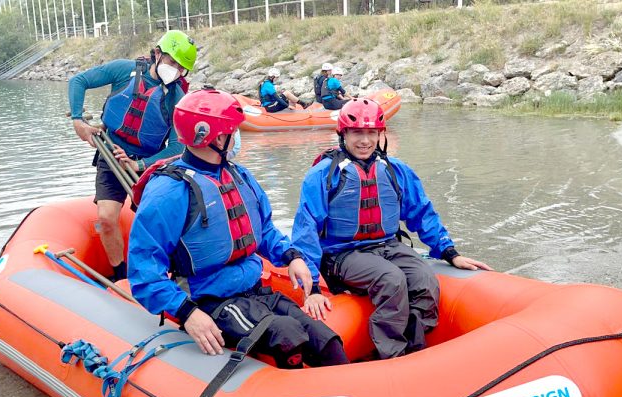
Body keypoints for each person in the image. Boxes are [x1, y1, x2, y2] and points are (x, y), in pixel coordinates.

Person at [128, 89, 349, 369]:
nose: (236, 137)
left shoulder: (239, 176)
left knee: (325, 341)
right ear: (217, 137)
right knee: (287, 336)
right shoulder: (169, 192)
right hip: (211, 302)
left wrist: (292, 256)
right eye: (233, 131)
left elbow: (265, 231)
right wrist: (187, 313)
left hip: (255, 291)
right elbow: (143, 269)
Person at [292, 98, 492, 359]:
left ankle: (414, 347)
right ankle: (393, 356)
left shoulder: (395, 170)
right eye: (357, 133)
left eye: (371, 133)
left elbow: (422, 212)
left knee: (425, 280)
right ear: (343, 134)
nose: (365, 141)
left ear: (380, 135)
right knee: (391, 279)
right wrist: (314, 289)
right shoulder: (322, 175)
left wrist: (449, 253)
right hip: (342, 255)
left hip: (388, 246)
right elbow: (306, 230)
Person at [68, 30, 197, 282]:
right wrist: (77, 121)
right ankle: (120, 276)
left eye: (182, 68)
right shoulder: (122, 70)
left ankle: (172, 275)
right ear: (157, 54)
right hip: (111, 154)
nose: (176, 71)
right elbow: (78, 81)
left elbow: (176, 148)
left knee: (158, 224)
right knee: (106, 219)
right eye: (172, 62)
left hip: (150, 165)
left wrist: (140, 164)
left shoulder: (177, 99)